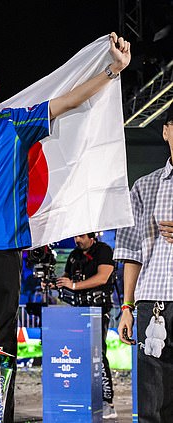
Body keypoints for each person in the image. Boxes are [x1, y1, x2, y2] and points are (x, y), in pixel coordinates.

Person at [0, 33, 131, 423]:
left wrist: (113, 70)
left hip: (4, 248)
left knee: (2, 341)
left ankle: (0, 418)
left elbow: (68, 100)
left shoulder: (14, 123)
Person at [116, 104, 173, 422]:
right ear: (166, 131)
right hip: (152, 303)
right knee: (151, 399)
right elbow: (131, 251)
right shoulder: (144, 187)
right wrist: (126, 307)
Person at [53, 233, 117, 419]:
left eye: (81, 236)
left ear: (91, 236)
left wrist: (73, 285)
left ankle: (107, 402)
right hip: (76, 312)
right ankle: (83, 398)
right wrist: (55, 283)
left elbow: (103, 277)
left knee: (98, 353)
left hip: (97, 311)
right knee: (79, 355)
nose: (77, 240)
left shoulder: (103, 250)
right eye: (75, 237)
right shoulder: (74, 255)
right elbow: (66, 278)